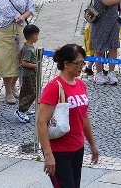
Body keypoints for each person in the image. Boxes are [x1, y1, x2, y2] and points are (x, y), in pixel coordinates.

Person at [38, 44, 100, 188]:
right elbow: (41, 122)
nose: (81, 67)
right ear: (66, 64)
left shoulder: (80, 84)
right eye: (79, 63)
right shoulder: (54, 87)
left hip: (77, 148)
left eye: (83, 63)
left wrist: (92, 144)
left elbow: (84, 116)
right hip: (59, 151)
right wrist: (48, 154)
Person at [88, 0, 121, 84]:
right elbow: (107, 1)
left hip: (114, 20)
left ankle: (111, 73)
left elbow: (118, 3)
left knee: (114, 46)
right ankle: (99, 73)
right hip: (100, 21)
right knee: (100, 48)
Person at [16, 24, 41, 122]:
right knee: (33, 92)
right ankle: (21, 110)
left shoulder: (27, 46)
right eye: (37, 35)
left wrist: (20, 63)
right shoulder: (29, 50)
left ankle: (24, 108)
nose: (38, 37)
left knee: (25, 91)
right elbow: (24, 62)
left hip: (28, 73)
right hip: (29, 74)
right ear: (34, 36)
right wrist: (35, 65)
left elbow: (19, 54)